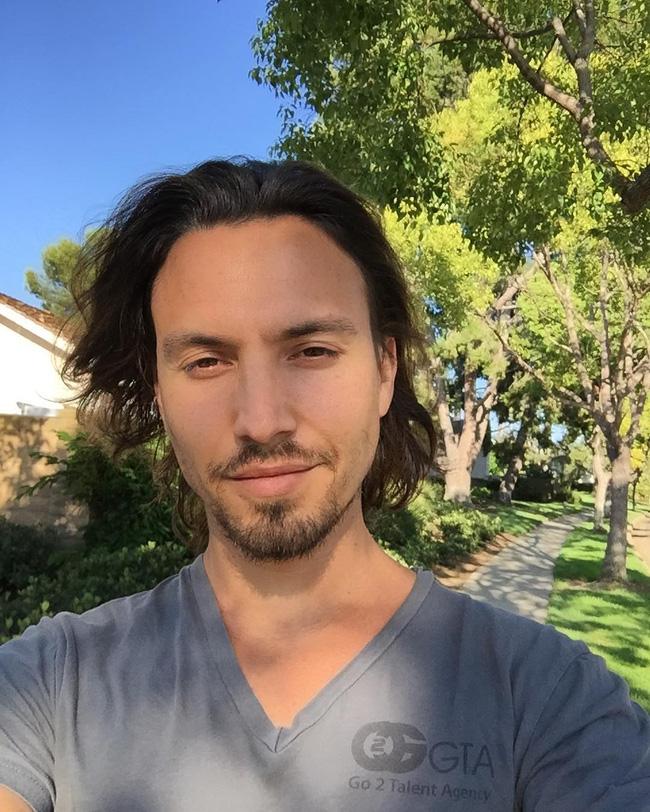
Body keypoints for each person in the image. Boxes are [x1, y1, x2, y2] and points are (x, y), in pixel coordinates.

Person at [0, 158, 649, 812]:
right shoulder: (48, 686)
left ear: (385, 369)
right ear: (161, 393)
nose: (261, 421)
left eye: (311, 351)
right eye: (206, 361)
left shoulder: (550, 701)